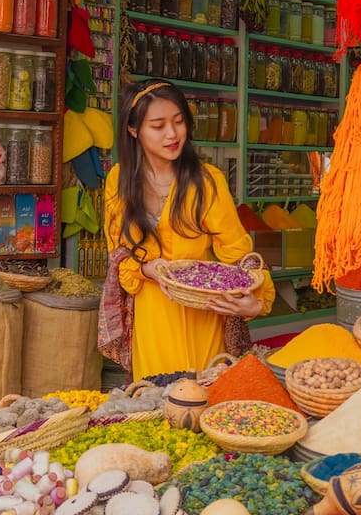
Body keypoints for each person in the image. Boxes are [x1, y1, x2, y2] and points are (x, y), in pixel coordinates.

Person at [100, 80, 275, 379]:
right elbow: (119, 254)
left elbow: (239, 253)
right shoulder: (119, 180)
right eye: (158, 126)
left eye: (179, 122)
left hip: (203, 314)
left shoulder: (207, 182)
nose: (172, 134)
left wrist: (256, 301)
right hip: (152, 315)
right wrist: (146, 270)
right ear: (134, 130)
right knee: (158, 402)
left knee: (204, 397)